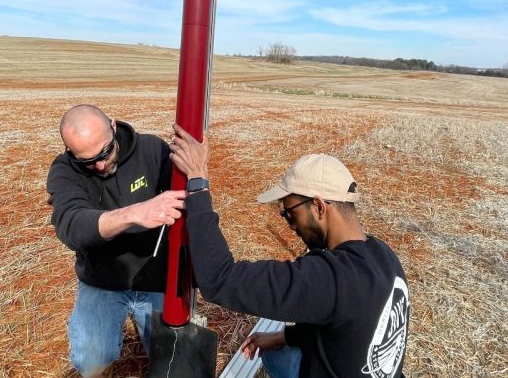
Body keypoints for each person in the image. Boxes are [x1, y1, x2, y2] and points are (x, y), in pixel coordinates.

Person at [169, 124, 410, 378]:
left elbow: (219, 279)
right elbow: (347, 322)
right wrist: (283, 336)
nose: (291, 226)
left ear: (318, 207)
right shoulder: (384, 256)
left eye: (290, 214)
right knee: (278, 355)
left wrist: (197, 183)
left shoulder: (329, 279)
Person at [46, 105, 185, 377]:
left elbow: (185, 197)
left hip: (156, 275)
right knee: (91, 362)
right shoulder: (64, 170)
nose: (99, 164)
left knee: (170, 358)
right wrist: (134, 214)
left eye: (105, 152)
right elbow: (72, 225)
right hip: (102, 279)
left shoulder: (151, 149)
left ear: (113, 125)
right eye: (87, 160)